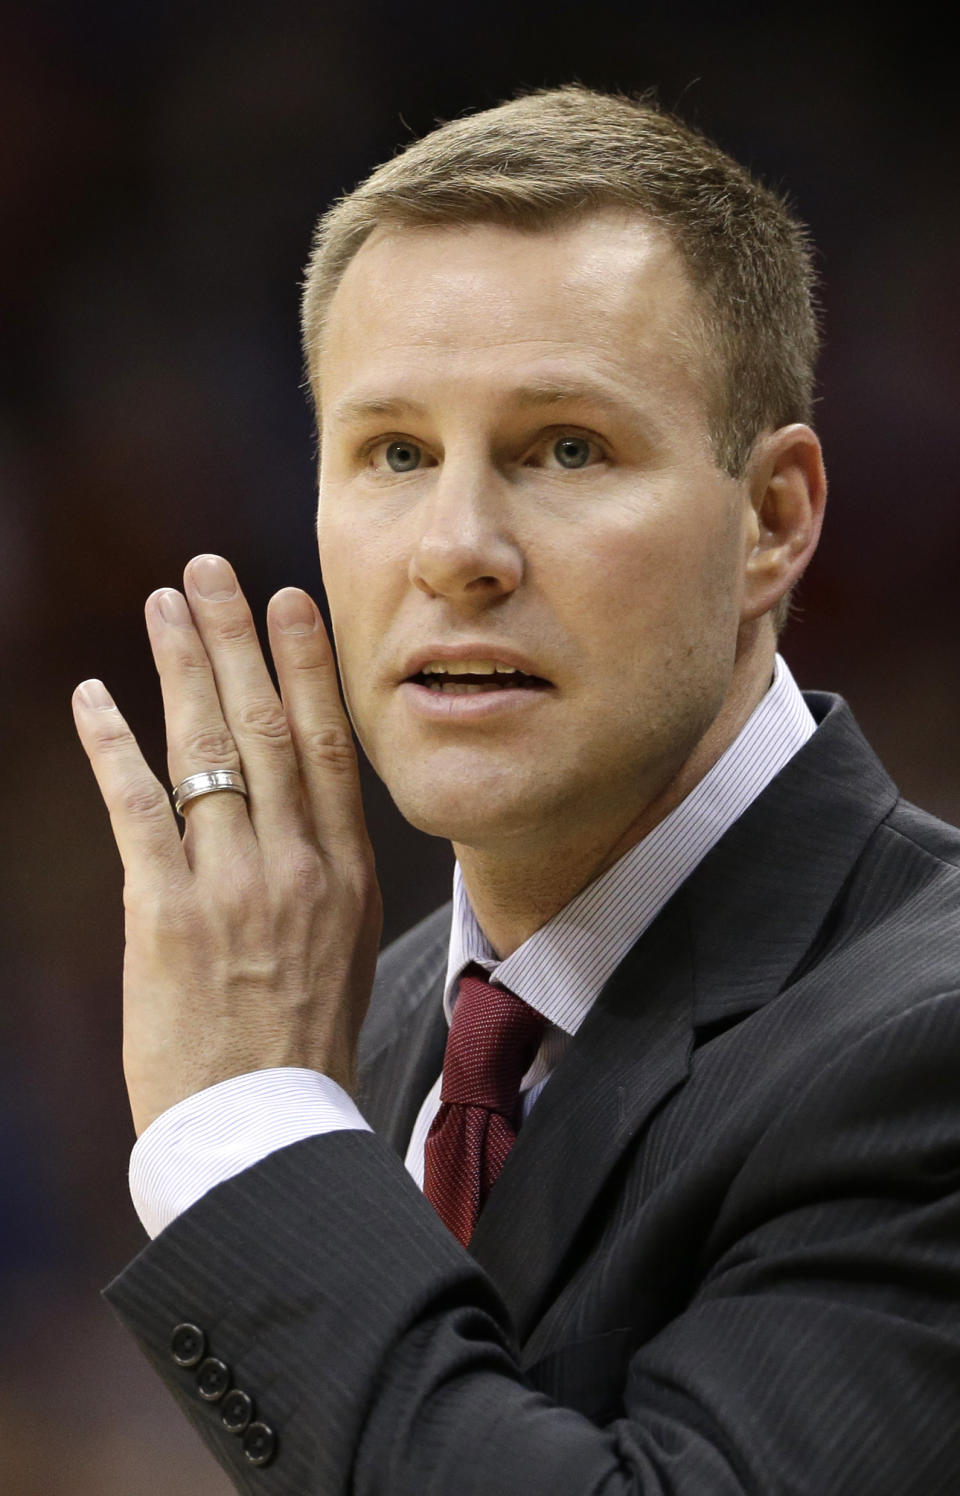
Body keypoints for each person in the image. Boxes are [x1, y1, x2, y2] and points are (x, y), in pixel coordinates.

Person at [72, 85, 960, 1494]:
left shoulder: (929, 1040)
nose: (459, 550)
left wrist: (243, 1130)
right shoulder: (356, 1037)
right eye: (397, 454)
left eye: (565, 447)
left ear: (772, 520)